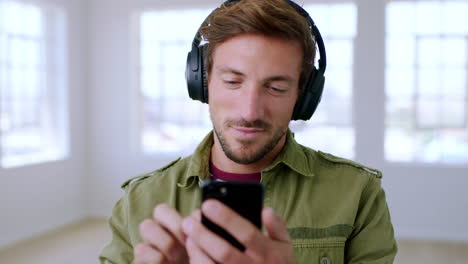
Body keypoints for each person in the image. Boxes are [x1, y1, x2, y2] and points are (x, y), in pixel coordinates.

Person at [99, 0, 397, 263]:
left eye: (276, 87)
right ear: (202, 84)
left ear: (303, 97)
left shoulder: (358, 193)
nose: (250, 112)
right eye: (232, 81)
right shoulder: (139, 201)